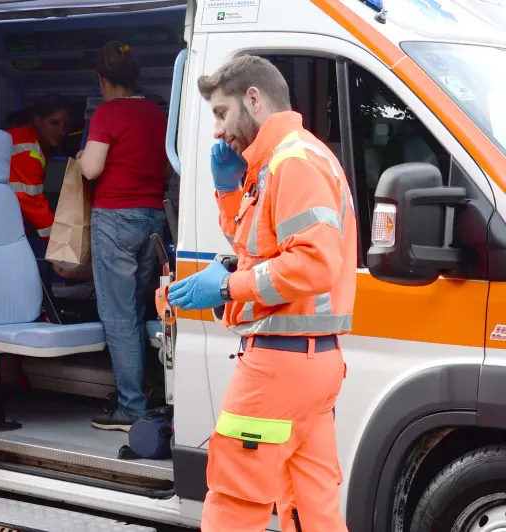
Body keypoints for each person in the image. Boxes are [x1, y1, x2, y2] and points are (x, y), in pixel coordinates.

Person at [167, 55, 356, 531]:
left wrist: (228, 286)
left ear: (254, 99)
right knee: (312, 509)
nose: (217, 130)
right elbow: (259, 248)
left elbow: (312, 264)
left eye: (221, 112)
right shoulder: (293, 159)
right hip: (311, 363)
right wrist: (229, 191)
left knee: (234, 502)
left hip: (278, 364)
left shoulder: (292, 164)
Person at [77, 41, 169, 432]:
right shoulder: (156, 113)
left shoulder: (107, 113)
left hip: (114, 217)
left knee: (118, 316)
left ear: (102, 80)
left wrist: (80, 158)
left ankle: (130, 406)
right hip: (152, 219)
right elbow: (166, 168)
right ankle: (143, 394)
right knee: (139, 310)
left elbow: (93, 168)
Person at [7, 93, 70, 241]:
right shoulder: (28, 150)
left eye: (65, 125)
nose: (61, 132)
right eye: (54, 123)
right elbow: (32, 200)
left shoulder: (33, 142)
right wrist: (59, 243)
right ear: (38, 120)